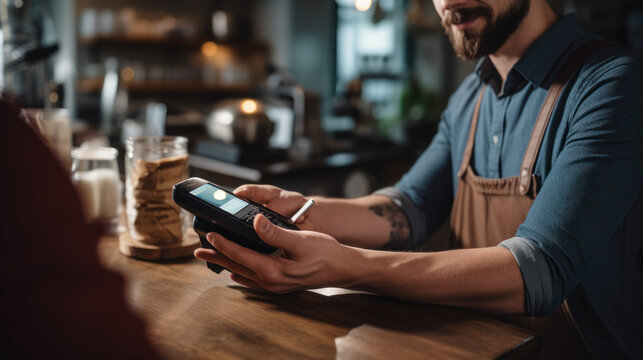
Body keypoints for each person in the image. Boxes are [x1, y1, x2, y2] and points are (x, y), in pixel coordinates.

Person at [195, 0, 643, 358]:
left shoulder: (611, 83)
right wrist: (305, 211)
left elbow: (539, 270)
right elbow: (409, 206)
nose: (447, 2)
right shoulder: (470, 95)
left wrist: (346, 266)